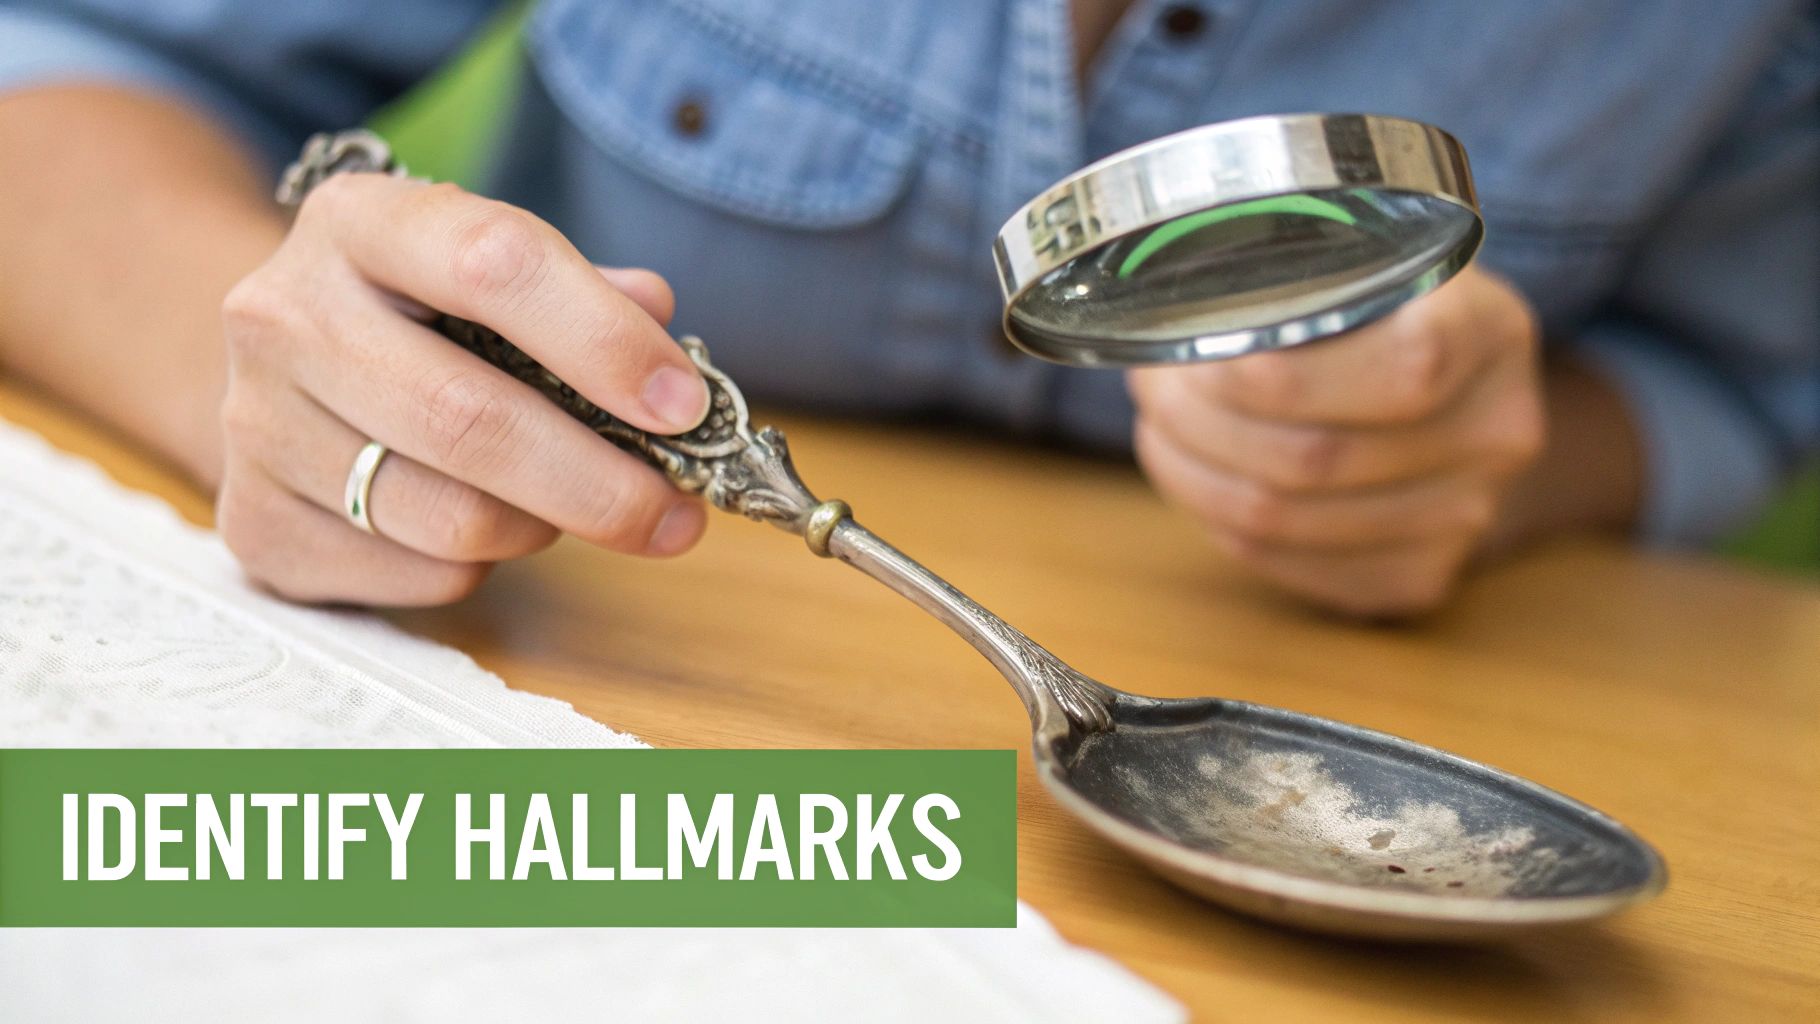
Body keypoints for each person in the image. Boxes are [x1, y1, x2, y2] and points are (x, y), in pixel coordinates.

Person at [0, 0, 1813, 617]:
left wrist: (1500, 466)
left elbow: (1746, 380)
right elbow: (77, 54)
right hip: (599, 665)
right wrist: (271, 376)